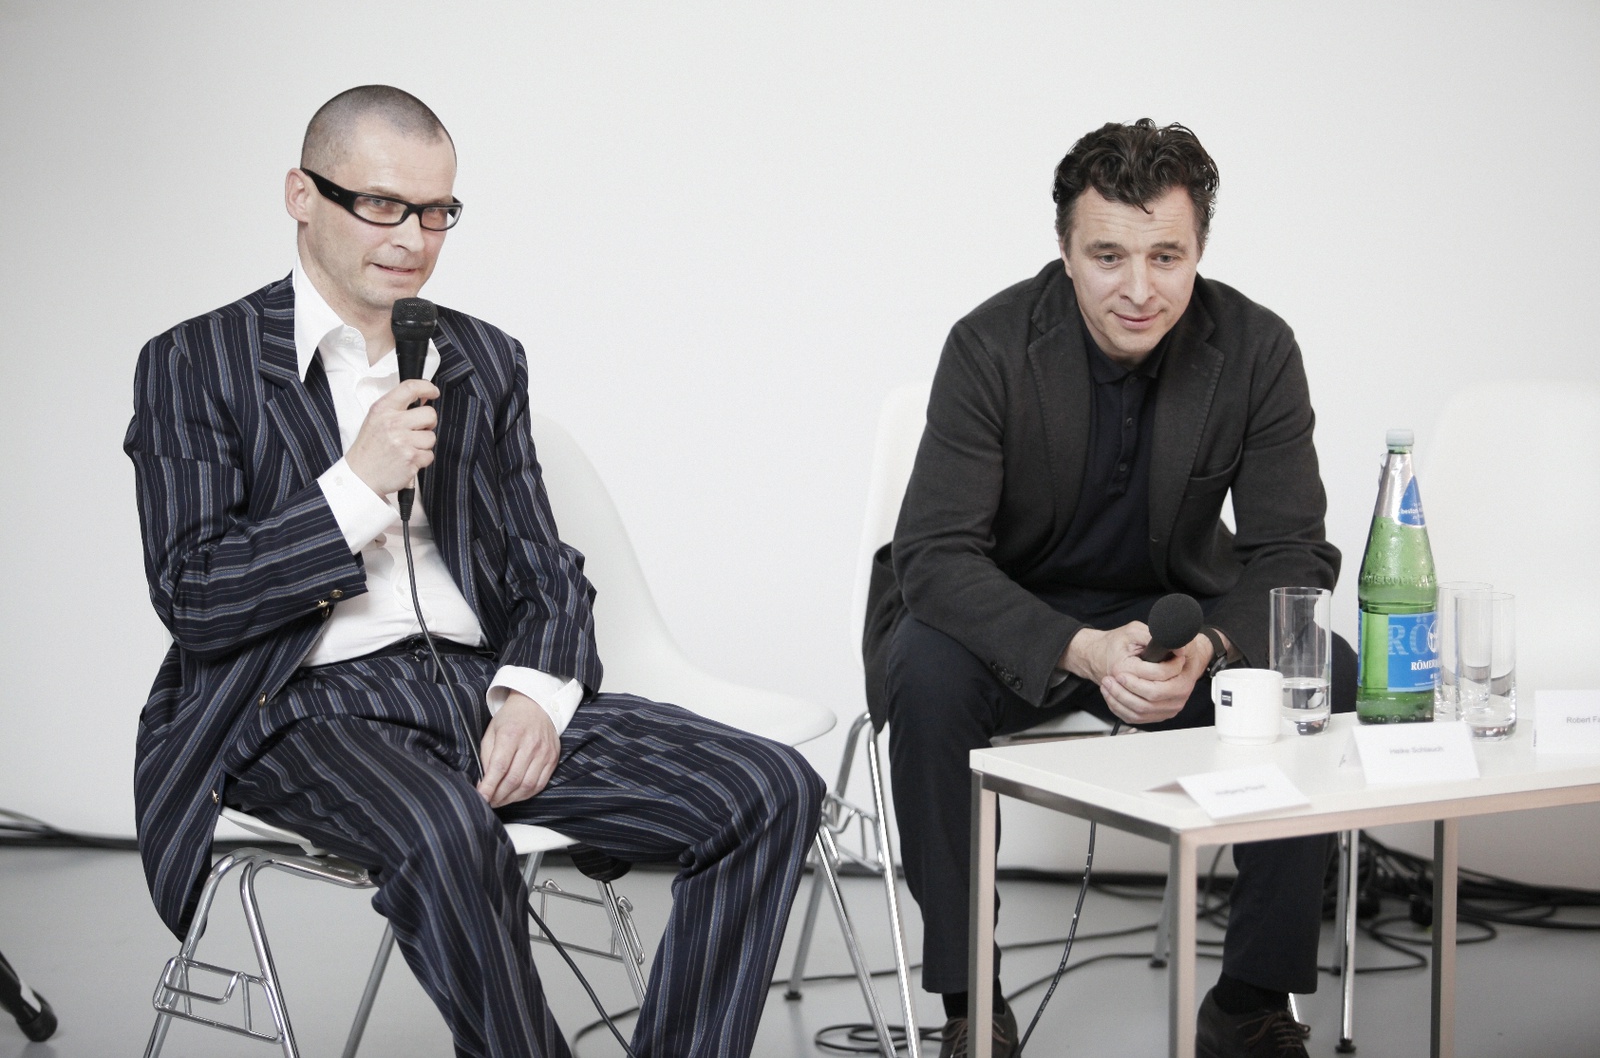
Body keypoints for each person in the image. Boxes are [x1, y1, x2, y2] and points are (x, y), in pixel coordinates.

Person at [124, 84, 824, 1058]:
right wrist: (354, 488)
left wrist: (534, 693)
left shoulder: (481, 359)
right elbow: (195, 596)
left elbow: (546, 564)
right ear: (301, 195)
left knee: (770, 785)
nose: (412, 239)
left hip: (474, 688)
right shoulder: (197, 362)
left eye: (436, 211)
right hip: (298, 706)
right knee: (447, 832)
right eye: (382, 205)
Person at [862, 119, 1356, 1058]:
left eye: (1167, 256)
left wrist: (1212, 648)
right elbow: (935, 554)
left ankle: (1252, 1000)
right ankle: (971, 1004)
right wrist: (1080, 649)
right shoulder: (989, 345)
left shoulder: (1257, 349)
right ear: (1065, 252)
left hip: (1176, 624)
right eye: (1108, 257)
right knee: (923, 669)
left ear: (1199, 250)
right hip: (1008, 621)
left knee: (1318, 663)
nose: (1139, 289)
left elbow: (1293, 554)